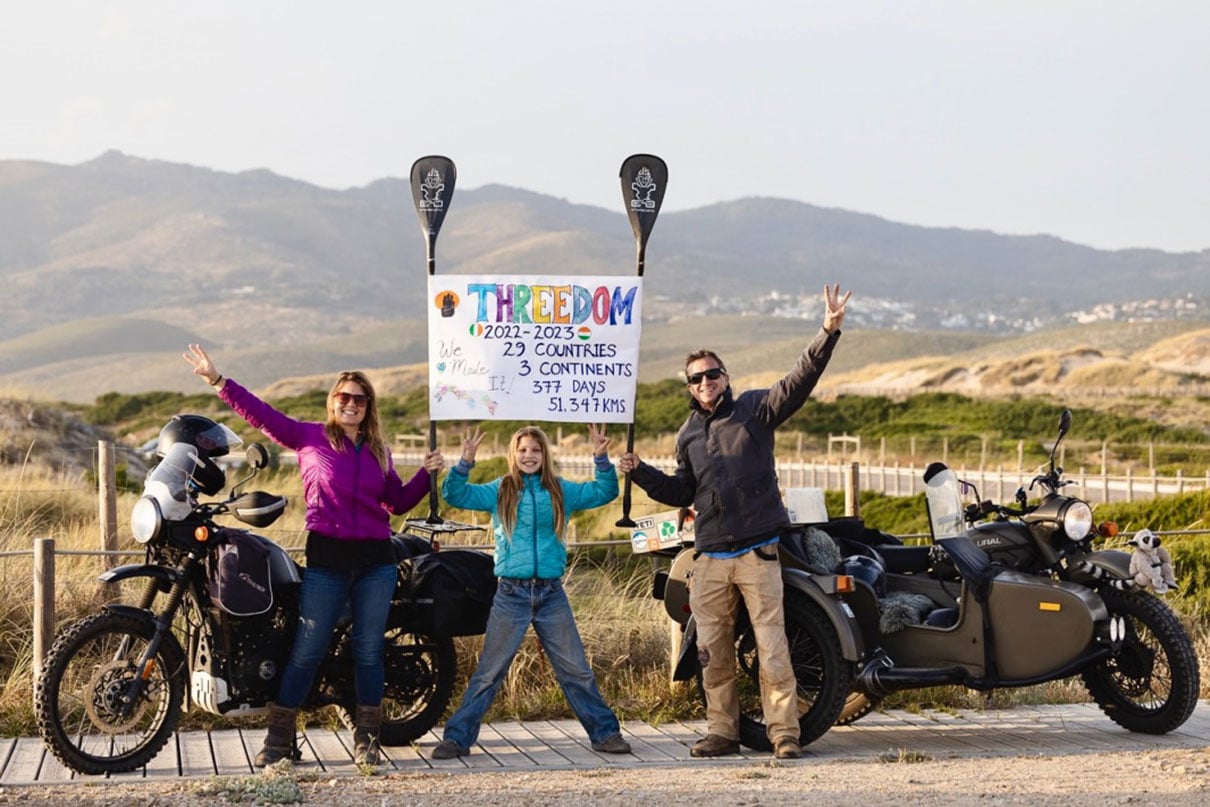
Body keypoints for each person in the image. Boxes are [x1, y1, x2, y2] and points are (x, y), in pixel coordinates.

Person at [618, 283, 852, 760]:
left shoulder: (755, 411)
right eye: (696, 378)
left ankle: (784, 734)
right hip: (710, 557)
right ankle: (722, 732)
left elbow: (799, 380)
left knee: (772, 648)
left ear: (725, 378)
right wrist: (638, 471)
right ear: (688, 387)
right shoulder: (687, 435)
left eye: (712, 375)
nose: (705, 383)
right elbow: (682, 491)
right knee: (713, 654)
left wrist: (827, 331)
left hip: (757, 553)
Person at [183, 344, 445, 767]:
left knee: (367, 651)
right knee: (308, 648)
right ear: (333, 402)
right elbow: (261, 415)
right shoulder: (308, 436)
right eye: (344, 397)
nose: (352, 404)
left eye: (360, 399)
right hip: (328, 560)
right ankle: (278, 740)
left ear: (368, 406)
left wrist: (426, 475)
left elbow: (396, 504)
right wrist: (219, 382)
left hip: (376, 562)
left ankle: (367, 739)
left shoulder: (380, 451)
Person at [431, 424, 632, 759]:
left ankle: (605, 734)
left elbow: (604, 492)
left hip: (551, 594)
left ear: (544, 455)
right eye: (523, 450)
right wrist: (464, 461)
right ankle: (457, 738)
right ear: (514, 454)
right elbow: (455, 494)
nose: (529, 456)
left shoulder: (560, 491)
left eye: (535, 450)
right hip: (511, 594)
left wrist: (601, 458)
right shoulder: (501, 490)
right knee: (490, 672)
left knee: (576, 670)